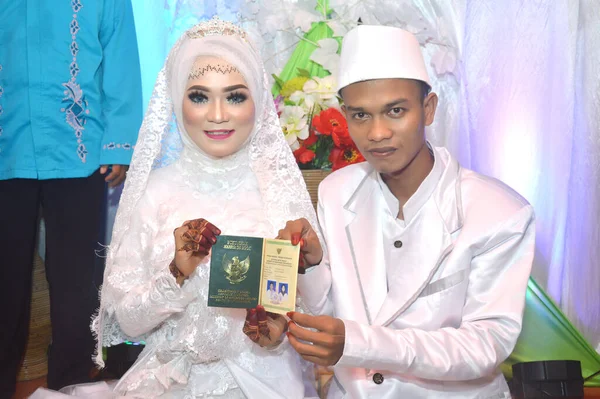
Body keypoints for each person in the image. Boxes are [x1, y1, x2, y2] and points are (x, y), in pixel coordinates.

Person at [62, 18, 316, 398]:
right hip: (170, 383)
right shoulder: (155, 191)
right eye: (199, 96)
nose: (217, 114)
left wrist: (276, 332)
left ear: (258, 101)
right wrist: (176, 273)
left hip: (266, 382)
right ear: (177, 99)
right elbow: (128, 324)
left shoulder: (281, 192)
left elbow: (320, 315)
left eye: (235, 96)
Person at [279, 25, 536, 398]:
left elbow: (483, 346)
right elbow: (342, 314)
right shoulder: (337, 191)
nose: (378, 132)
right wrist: (313, 265)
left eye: (395, 111)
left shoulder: (499, 212)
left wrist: (361, 345)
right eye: (361, 115)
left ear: (427, 109)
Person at [0, 0, 142, 395]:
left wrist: (118, 142)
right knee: (4, 282)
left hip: (80, 153)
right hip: (6, 149)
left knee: (77, 282)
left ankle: (72, 382)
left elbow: (120, 56)